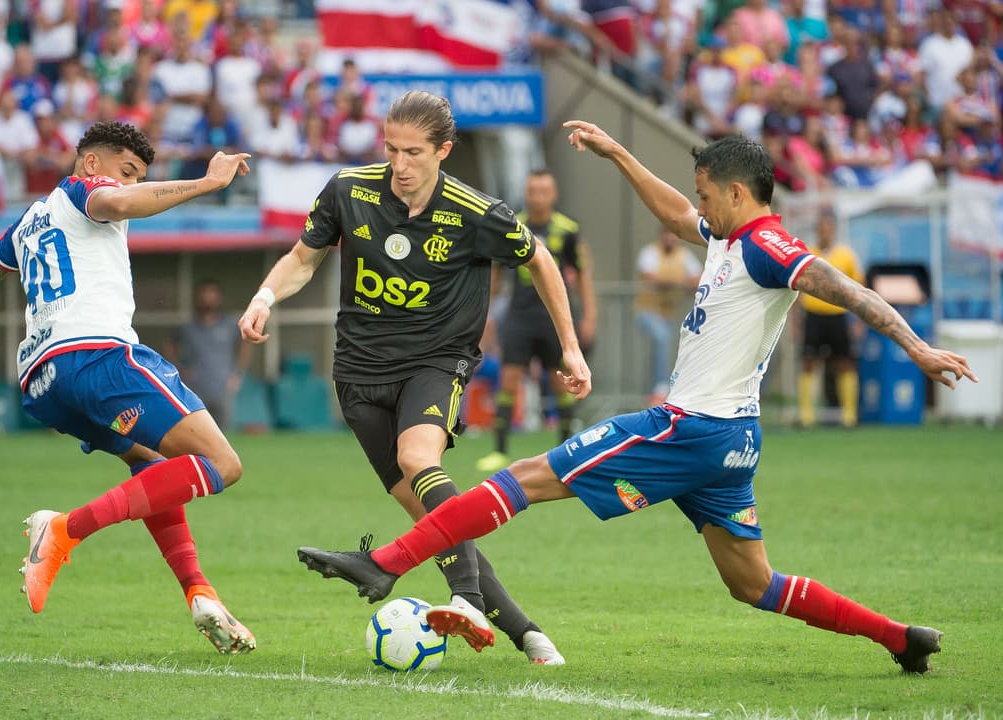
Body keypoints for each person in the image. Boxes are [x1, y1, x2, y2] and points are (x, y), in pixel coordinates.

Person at [295, 126, 977, 675]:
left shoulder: (767, 243)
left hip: (687, 428)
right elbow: (677, 215)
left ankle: (383, 564)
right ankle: (898, 638)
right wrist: (620, 154)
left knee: (526, 478)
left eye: (706, 193)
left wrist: (914, 344)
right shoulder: (730, 238)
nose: (696, 205)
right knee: (753, 585)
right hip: (732, 440)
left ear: (738, 194)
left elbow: (843, 287)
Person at [0, 121, 257, 654]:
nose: (125, 185)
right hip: (97, 355)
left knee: (150, 462)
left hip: (43, 382)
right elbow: (120, 206)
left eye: (136, 177)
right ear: (90, 164)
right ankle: (66, 529)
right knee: (225, 464)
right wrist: (207, 184)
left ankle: (198, 589)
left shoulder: (29, 221)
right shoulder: (85, 193)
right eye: (123, 172)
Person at [238, 90, 590, 664]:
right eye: (392, 149)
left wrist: (571, 348)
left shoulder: (476, 212)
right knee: (434, 520)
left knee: (418, 460)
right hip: (357, 373)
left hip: (437, 361)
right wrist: (264, 296)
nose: (400, 165)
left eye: (415, 153)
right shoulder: (348, 192)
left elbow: (540, 260)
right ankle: (527, 632)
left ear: (444, 151)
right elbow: (303, 257)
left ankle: (467, 598)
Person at [477, 168, 596, 473]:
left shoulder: (567, 229)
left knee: (562, 383)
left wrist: (589, 315)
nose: (538, 197)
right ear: (526, 193)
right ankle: (500, 450)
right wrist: (486, 314)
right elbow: (496, 274)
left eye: (544, 191)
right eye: (533, 191)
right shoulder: (513, 226)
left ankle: (567, 449)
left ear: (554, 195)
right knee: (509, 379)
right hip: (519, 315)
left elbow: (583, 274)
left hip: (554, 317)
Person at [798, 209, 865, 428]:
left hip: (838, 316)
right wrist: (794, 320)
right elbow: (796, 289)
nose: (825, 231)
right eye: (821, 227)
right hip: (813, 316)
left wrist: (857, 320)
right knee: (809, 363)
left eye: (828, 227)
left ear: (834, 230)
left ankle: (849, 416)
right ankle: (806, 416)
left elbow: (858, 290)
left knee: (844, 363)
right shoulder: (807, 253)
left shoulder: (846, 256)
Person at [635, 226, 702, 405]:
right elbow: (651, 278)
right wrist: (681, 282)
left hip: (670, 314)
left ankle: (669, 389)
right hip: (647, 311)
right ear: (661, 236)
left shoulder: (684, 254)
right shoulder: (650, 252)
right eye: (667, 234)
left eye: (673, 235)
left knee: (668, 347)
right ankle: (660, 388)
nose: (670, 239)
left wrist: (674, 282)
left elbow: (698, 278)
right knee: (661, 338)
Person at [169, 281, 249, 431]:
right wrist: (179, 369)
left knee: (223, 433)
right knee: (196, 432)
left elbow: (245, 345)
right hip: (195, 389)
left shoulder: (229, 324)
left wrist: (237, 374)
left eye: (212, 295)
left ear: (219, 299)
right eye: (205, 295)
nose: (208, 299)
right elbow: (169, 345)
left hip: (222, 387)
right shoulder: (188, 327)